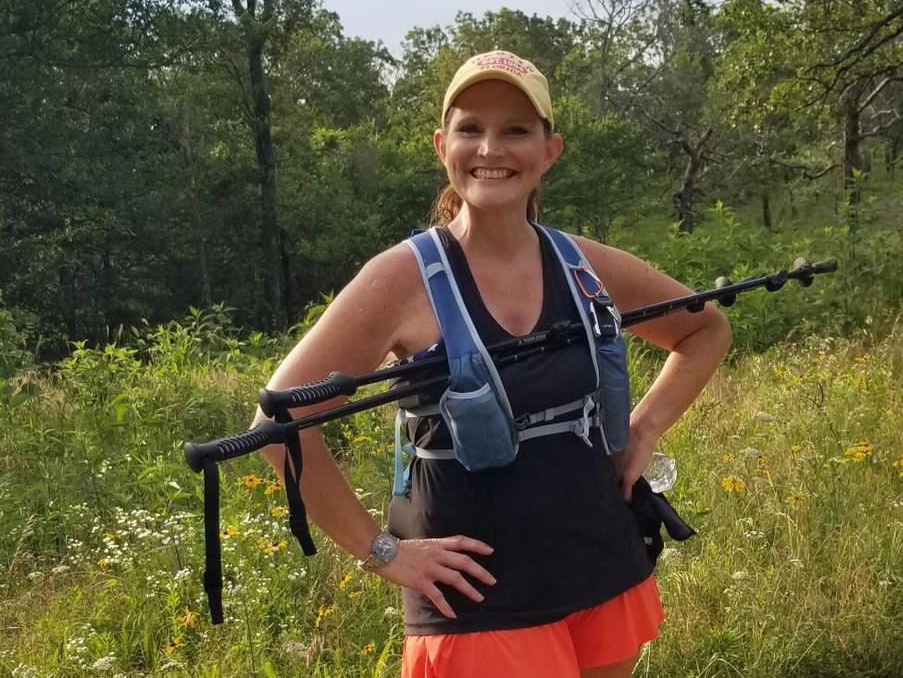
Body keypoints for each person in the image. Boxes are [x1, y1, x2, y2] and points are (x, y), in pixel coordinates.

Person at [258, 50, 731, 678]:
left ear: (550, 150)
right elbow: (276, 427)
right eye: (470, 128)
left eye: (515, 130)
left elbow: (704, 328)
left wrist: (643, 431)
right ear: (441, 144)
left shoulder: (583, 265)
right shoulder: (399, 279)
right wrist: (380, 550)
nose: (491, 148)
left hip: (601, 563)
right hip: (479, 600)